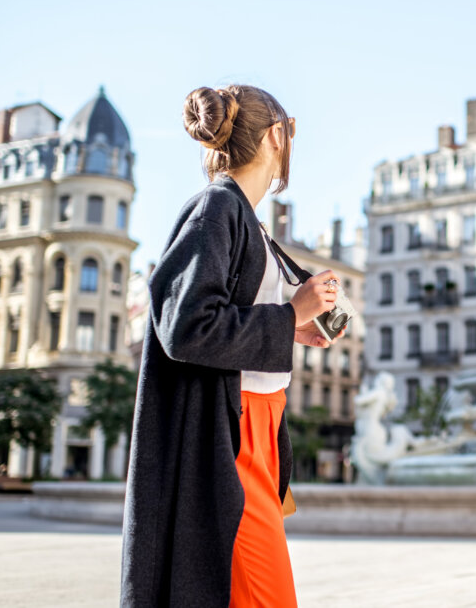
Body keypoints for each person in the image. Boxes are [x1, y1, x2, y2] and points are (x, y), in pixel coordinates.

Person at [120, 85, 342, 607]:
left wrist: (293, 327)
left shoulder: (242, 216)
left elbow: (222, 320)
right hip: (230, 437)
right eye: (290, 135)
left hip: (256, 428)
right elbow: (188, 326)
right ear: (274, 136)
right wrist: (288, 315)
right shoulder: (215, 209)